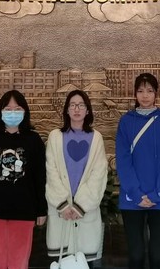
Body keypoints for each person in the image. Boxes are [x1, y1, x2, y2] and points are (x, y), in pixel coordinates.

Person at [0, 90, 47, 269]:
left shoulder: (33, 139)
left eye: (17, 108)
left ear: (25, 111)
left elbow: (40, 176)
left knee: (19, 263)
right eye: (8, 109)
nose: (13, 112)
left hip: (24, 211)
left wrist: (41, 209)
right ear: (0, 111)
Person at [115, 73, 160, 269]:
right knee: (135, 256)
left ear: (156, 93)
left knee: (157, 257)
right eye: (140, 91)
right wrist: (135, 193)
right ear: (135, 93)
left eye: (149, 91)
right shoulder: (126, 121)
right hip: (132, 198)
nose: (145, 95)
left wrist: (158, 194)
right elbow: (123, 161)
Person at [45, 90, 108, 262]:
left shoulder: (96, 138)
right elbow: (51, 172)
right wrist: (63, 204)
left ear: (88, 110)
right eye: (72, 105)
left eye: (81, 105)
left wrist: (81, 205)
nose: (77, 109)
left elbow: (99, 174)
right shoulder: (55, 137)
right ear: (66, 110)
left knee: (83, 261)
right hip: (61, 211)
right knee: (61, 260)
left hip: (85, 211)